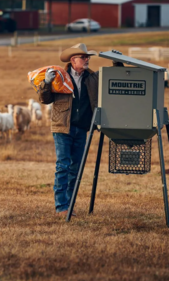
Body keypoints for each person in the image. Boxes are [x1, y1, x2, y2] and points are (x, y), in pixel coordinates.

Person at [39, 43, 99, 216]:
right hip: (62, 127)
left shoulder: (92, 78)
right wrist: (46, 83)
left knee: (76, 168)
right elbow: (45, 99)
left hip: (81, 128)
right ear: (73, 60)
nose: (87, 60)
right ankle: (61, 206)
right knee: (63, 166)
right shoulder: (60, 77)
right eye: (83, 57)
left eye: (88, 57)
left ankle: (70, 205)